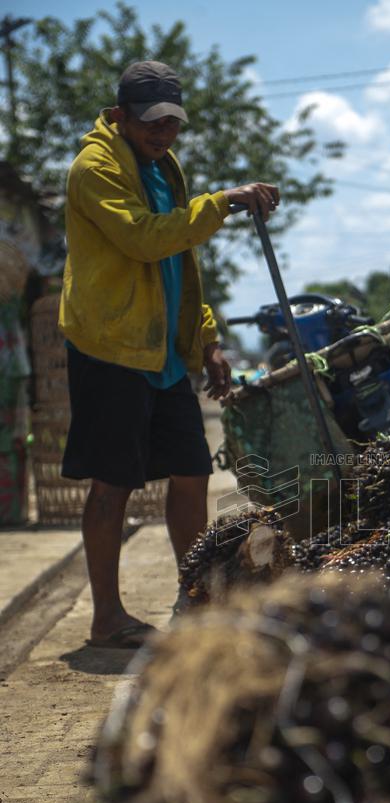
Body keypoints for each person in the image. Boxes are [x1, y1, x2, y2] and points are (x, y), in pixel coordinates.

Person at [59, 60, 279, 648]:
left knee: (192, 472)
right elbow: (144, 238)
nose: (163, 133)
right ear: (120, 116)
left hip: (161, 353)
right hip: (110, 346)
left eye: (172, 123)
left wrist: (207, 339)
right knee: (113, 484)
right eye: (152, 122)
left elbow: (180, 259)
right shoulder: (94, 169)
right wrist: (223, 202)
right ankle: (107, 616)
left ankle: (197, 599)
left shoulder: (164, 165)